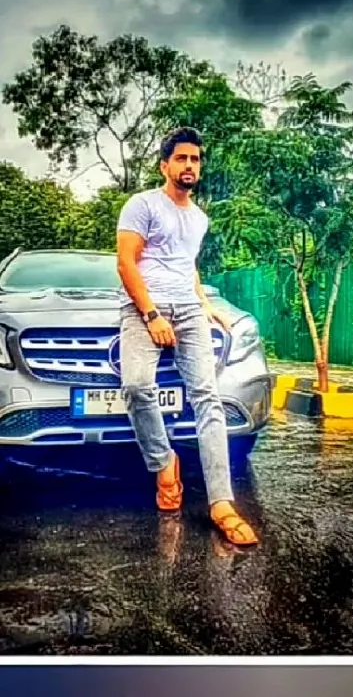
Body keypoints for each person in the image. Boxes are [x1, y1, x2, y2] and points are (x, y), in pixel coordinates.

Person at [116, 126, 258, 547]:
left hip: (190, 311)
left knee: (207, 398)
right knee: (137, 386)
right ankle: (163, 462)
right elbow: (126, 263)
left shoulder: (199, 217)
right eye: (181, 158)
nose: (189, 165)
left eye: (195, 159)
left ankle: (221, 503)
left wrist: (205, 304)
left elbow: (187, 265)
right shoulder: (142, 204)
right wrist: (152, 313)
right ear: (165, 165)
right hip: (143, 310)